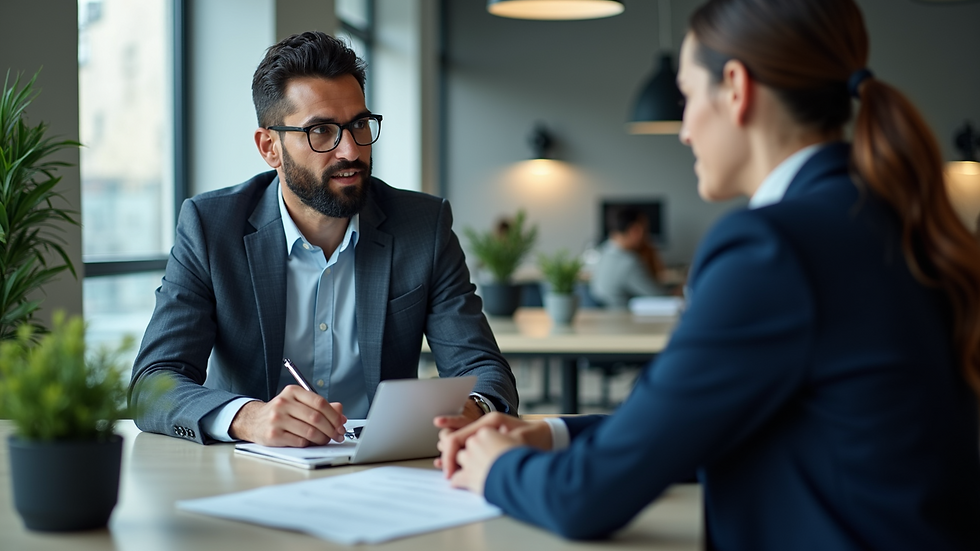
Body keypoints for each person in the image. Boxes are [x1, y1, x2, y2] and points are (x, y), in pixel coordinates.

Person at [434, 0, 980, 548]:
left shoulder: (773, 247)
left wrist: (494, 466)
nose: (685, 131)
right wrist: (549, 433)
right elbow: (700, 427)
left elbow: (586, 498)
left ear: (737, 89)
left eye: (689, 95)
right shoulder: (883, 215)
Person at [129, 31, 518, 447]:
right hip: (249, 470)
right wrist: (247, 418)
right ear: (270, 148)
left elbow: (482, 367)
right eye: (321, 131)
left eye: (358, 125)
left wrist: (472, 407)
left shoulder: (422, 225)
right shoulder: (211, 227)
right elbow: (154, 384)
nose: (350, 150)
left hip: (386, 468)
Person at [589, 206, 664, 308]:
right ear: (635, 230)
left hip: (607, 317)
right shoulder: (628, 262)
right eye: (645, 230)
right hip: (625, 319)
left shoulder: (603, 252)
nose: (647, 236)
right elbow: (660, 297)